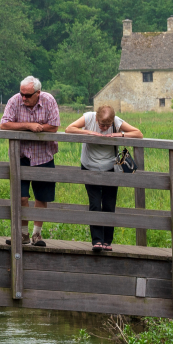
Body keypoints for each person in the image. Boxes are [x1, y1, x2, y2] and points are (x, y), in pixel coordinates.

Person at [65, 104, 141, 254]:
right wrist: (90, 133)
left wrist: (119, 134)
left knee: (109, 204)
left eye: (108, 125)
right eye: (101, 124)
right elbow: (69, 129)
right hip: (89, 166)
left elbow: (138, 133)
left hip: (111, 167)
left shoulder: (117, 122)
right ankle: (97, 241)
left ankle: (107, 241)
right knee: (95, 204)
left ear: (112, 121)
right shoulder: (88, 117)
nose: (104, 127)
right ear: (96, 118)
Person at [0, 76, 61, 246]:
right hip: (22, 156)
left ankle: (37, 235)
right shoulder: (14, 101)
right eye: (22, 94)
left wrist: (36, 127)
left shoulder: (49, 100)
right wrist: (29, 125)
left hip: (44, 155)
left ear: (38, 93)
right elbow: (4, 124)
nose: (24, 98)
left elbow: (54, 126)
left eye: (27, 95)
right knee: (21, 197)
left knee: (42, 197)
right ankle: (22, 234)